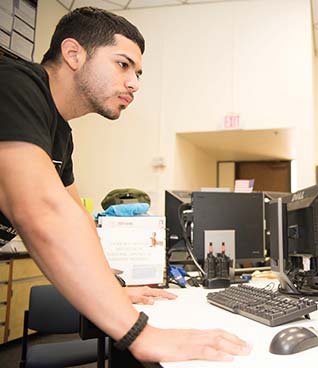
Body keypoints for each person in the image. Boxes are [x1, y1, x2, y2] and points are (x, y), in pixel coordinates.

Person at [0, 7, 251, 362]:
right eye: (123, 65)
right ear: (74, 54)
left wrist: (114, 290)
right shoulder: (13, 84)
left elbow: (79, 220)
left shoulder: (60, 134)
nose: (134, 83)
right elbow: (42, 211)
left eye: (138, 72)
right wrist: (139, 333)